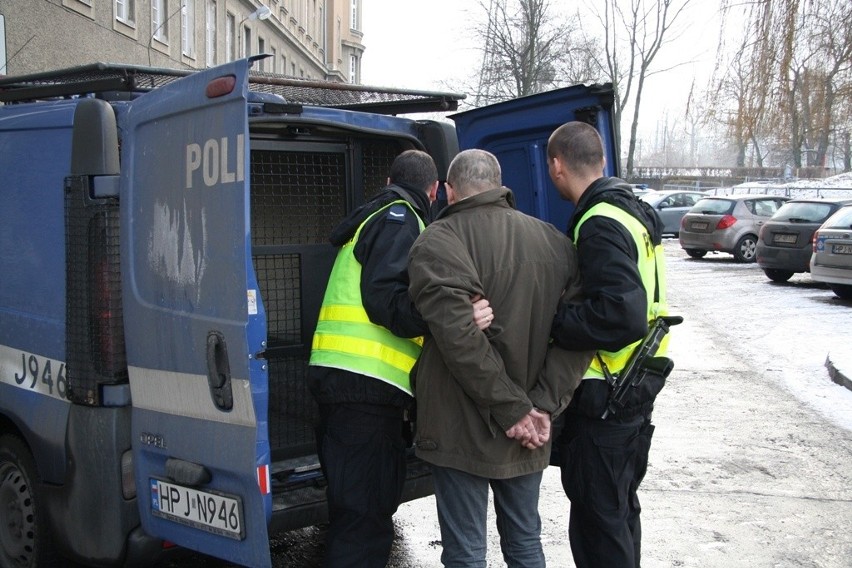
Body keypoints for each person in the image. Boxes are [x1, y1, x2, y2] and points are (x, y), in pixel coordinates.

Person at [407, 148, 593, 568]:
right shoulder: (556, 243)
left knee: (467, 553)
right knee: (525, 542)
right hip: (530, 425)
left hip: (459, 427)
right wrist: (542, 406)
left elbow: (460, 341)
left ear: (450, 192)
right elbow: (581, 336)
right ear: (499, 183)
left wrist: (515, 412)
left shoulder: (437, 241)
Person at [308, 149, 492, 567]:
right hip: (364, 390)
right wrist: (455, 316)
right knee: (363, 523)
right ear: (434, 191)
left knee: (358, 515)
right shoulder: (400, 219)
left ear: (391, 180)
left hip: (353, 390)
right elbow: (386, 305)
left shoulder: (377, 216)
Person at [546, 121, 672, 568]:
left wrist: (555, 323)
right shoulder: (631, 212)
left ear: (557, 164)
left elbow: (622, 314)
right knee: (618, 514)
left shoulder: (599, 222)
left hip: (607, 394)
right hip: (634, 387)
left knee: (600, 525)